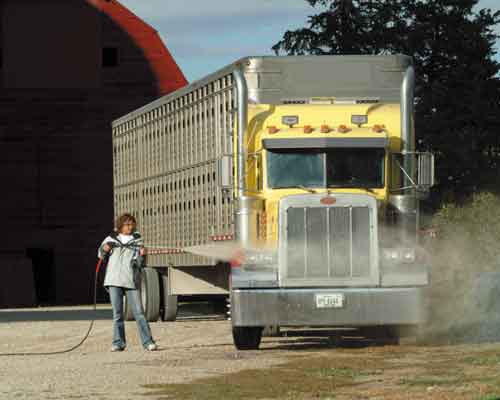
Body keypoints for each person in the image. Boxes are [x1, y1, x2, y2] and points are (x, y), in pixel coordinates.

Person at [98, 213, 158, 352]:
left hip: (131, 280)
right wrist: (104, 249)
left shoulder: (137, 241)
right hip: (114, 280)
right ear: (121, 226)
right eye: (127, 224)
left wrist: (142, 255)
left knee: (139, 312)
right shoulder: (110, 239)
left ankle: (148, 342)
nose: (130, 227)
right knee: (117, 314)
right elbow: (101, 255)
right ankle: (118, 343)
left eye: (132, 224)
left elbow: (140, 264)